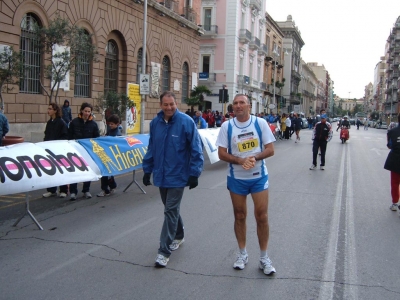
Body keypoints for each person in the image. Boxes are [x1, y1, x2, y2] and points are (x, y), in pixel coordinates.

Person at [216, 94, 276, 276]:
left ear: (249, 106)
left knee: (262, 216)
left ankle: (264, 257)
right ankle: (242, 254)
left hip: (258, 176)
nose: (238, 105)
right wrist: (240, 160)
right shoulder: (227, 126)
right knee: (240, 215)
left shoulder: (260, 123)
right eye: (235, 103)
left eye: (242, 102)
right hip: (237, 178)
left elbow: (270, 150)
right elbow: (221, 153)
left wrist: (253, 158)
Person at [142, 91, 203, 268]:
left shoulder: (186, 122)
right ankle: (178, 235)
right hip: (161, 175)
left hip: (178, 175)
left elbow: (196, 149)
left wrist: (194, 173)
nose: (169, 108)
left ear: (176, 104)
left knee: (170, 210)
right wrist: (147, 170)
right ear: (161, 105)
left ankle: (163, 251)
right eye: (165, 104)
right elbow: (152, 147)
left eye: (172, 104)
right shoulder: (155, 123)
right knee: (171, 208)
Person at [68, 102, 100, 200]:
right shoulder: (74, 122)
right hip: (75, 152)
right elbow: (69, 137)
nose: (87, 113)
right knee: (75, 171)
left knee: (88, 171)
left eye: (89, 111)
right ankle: (73, 192)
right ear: (81, 111)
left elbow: (96, 139)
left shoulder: (94, 124)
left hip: (88, 152)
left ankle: (86, 190)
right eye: (85, 111)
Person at [42, 103, 69, 198]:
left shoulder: (61, 123)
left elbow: (65, 136)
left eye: (50, 109)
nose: (48, 110)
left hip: (58, 150)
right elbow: (46, 135)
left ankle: (63, 190)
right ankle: (51, 190)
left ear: (55, 110)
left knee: (61, 170)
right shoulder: (49, 123)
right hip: (49, 150)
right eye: (48, 108)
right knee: (50, 170)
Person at [97, 114, 121, 197]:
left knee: (105, 173)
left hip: (110, 155)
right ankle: (112, 186)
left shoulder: (117, 133)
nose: (110, 125)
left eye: (112, 124)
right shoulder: (111, 130)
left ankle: (105, 189)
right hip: (108, 154)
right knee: (108, 173)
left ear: (117, 124)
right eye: (109, 124)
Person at [384, 113, 400, 212]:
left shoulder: (392, 132)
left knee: (395, 183)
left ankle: (394, 203)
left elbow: (389, 145)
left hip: (395, 160)